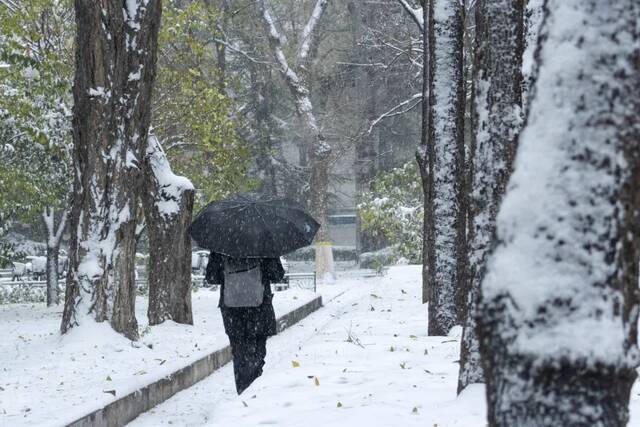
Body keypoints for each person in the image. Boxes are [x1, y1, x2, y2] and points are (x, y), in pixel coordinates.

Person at [205, 252, 285, 394]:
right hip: (259, 310)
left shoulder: (221, 244)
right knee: (257, 354)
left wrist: (230, 273)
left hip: (233, 312)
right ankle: (254, 392)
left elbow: (211, 277)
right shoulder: (264, 243)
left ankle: (243, 393)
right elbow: (277, 275)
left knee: (240, 355)